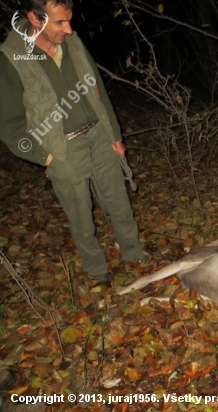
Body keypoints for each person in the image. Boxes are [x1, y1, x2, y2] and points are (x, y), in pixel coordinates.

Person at [0, 0, 147, 284]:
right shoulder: (11, 57)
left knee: (119, 204)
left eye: (69, 20)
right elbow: (9, 123)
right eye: (59, 22)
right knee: (81, 218)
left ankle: (133, 252)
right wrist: (45, 156)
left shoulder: (71, 42)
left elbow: (98, 89)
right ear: (34, 18)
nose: (69, 29)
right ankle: (97, 270)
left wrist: (114, 135)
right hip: (62, 149)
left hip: (99, 137)